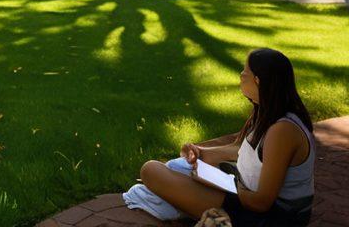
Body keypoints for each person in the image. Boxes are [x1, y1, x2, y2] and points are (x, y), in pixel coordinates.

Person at [127, 48, 315, 226]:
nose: (241, 75)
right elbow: (241, 149)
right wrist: (201, 151)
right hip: (245, 191)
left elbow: (261, 202)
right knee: (176, 166)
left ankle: (176, 206)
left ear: (258, 80)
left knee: (150, 170)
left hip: (272, 217)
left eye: (245, 71)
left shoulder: (282, 131)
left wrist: (225, 185)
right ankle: (178, 201)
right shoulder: (267, 112)